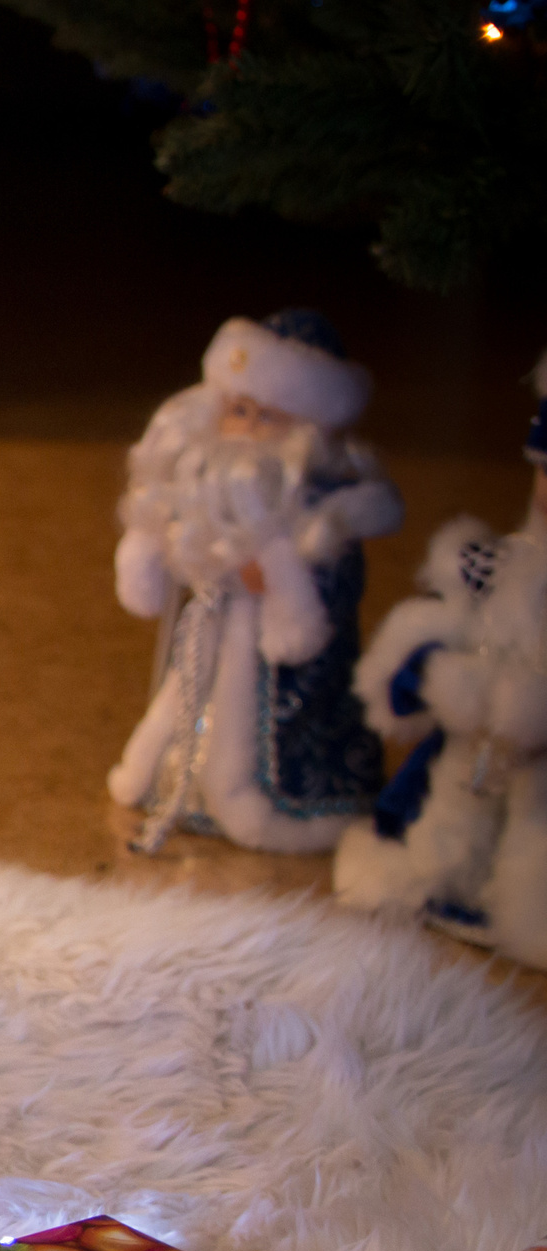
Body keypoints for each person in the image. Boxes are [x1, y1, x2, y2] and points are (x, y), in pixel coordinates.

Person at [107, 310, 402, 853]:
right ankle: (188, 787)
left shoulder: (322, 509)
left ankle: (272, 803)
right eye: (238, 410)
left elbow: (327, 597)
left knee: (255, 729)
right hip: (213, 633)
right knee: (188, 698)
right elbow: (175, 536)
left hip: (279, 673)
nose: (245, 429)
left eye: (267, 417)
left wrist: (276, 575)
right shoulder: (206, 483)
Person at [334, 358, 547, 966]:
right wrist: (441, 679)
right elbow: (432, 640)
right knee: (451, 812)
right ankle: (450, 885)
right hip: (474, 757)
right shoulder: (499, 566)